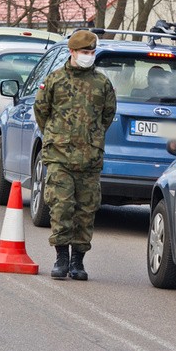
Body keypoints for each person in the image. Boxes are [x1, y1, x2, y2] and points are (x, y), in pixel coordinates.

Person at [34, 30, 116, 281]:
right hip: (59, 156)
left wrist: (92, 139)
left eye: (91, 53)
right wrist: (57, 136)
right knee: (61, 206)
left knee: (86, 210)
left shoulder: (102, 83)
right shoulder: (55, 80)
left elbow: (108, 115)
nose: (88, 57)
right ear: (72, 52)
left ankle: (77, 261)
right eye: (84, 53)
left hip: (89, 158)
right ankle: (60, 258)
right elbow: (41, 111)